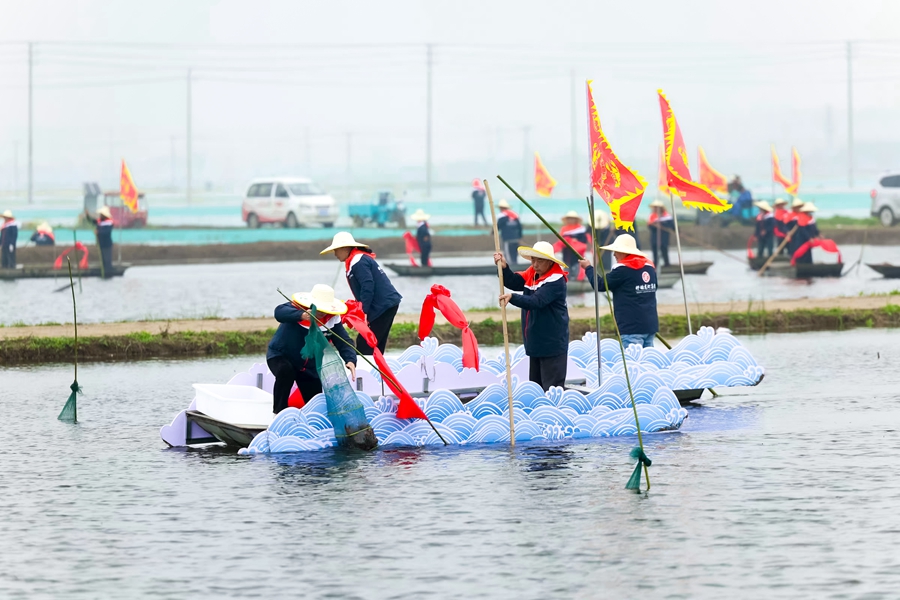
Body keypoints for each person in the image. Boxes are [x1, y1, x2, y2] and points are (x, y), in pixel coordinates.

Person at [266, 284, 357, 414]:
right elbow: (279, 312)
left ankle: (313, 423)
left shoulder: (332, 319)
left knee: (315, 399)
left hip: (308, 364)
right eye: (319, 308)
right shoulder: (296, 308)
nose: (321, 312)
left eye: (324, 309)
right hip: (281, 355)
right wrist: (301, 315)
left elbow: (344, 342)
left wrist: (350, 359)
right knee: (286, 372)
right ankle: (278, 414)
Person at [494, 241, 569, 391]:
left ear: (549, 261)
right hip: (535, 343)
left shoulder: (556, 280)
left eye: (539, 260)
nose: (535, 264)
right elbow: (514, 282)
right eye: (533, 259)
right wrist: (504, 268)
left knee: (552, 390)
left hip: (552, 344)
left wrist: (512, 298)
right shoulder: (532, 273)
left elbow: (537, 301)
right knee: (536, 389)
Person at [320, 231, 402, 355]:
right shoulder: (356, 259)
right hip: (387, 304)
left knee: (365, 344)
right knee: (375, 345)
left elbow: (367, 285)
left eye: (336, 250)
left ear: (345, 248)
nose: (335, 254)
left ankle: (368, 371)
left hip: (383, 305)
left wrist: (363, 311)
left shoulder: (358, 261)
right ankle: (379, 371)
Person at [577, 234, 658, 349]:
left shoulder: (622, 270)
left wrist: (588, 268)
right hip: (650, 325)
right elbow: (655, 287)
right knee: (647, 363)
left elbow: (600, 285)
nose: (614, 254)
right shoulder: (649, 268)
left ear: (625, 252)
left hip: (631, 327)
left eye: (617, 251)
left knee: (632, 364)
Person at [84, 206, 114, 278]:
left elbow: (106, 232)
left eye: (102, 214)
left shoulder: (109, 222)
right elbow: (92, 221)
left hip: (107, 244)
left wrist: (98, 232)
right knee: (103, 260)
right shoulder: (100, 221)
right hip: (100, 243)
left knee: (107, 260)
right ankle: (103, 273)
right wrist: (88, 215)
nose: (100, 215)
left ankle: (108, 273)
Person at [560, 210, 590, 280]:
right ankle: (567, 280)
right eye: (569, 218)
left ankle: (578, 279)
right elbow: (561, 240)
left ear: (576, 219)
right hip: (567, 252)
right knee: (567, 266)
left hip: (577, 253)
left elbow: (584, 240)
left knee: (577, 267)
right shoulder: (564, 229)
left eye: (572, 218)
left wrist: (576, 241)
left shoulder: (581, 229)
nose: (571, 220)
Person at [646, 200, 673, 267]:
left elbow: (671, 225)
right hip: (655, 236)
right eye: (654, 207)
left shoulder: (667, 216)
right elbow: (650, 226)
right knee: (655, 250)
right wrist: (655, 226)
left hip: (664, 236)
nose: (655, 209)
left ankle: (667, 264)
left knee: (664, 249)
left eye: (657, 207)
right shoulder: (652, 216)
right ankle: (655, 265)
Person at [496, 199, 522, 266]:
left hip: (507, 239)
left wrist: (493, 232)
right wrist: (519, 236)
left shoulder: (502, 216)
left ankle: (511, 267)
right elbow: (520, 227)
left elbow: (497, 226)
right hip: (515, 238)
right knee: (514, 253)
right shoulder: (515, 215)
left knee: (508, 254)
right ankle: (515, 264)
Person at [590, 209, 614, 273]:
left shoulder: (609, 230)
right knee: (598, 267)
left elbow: (612, 241)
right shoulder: (596, 229)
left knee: (606, 268)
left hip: (606, 251)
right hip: (598, 250)